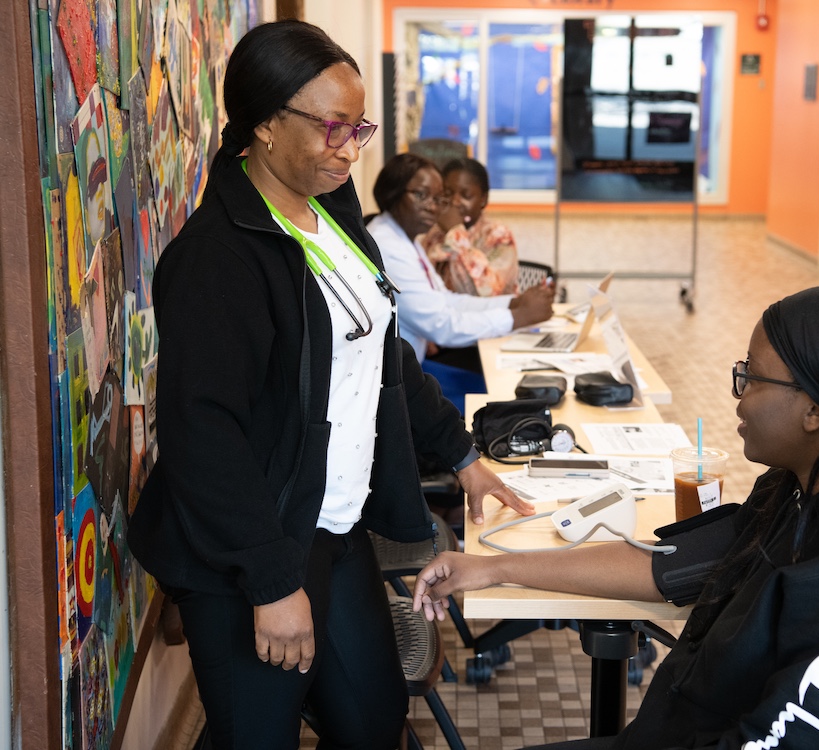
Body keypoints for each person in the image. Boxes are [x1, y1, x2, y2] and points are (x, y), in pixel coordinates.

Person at [126, 21, 533, 750]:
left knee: (373, 720)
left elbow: (381, 353)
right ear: (264, 124)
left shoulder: (331, 212)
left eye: (359, 128)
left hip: (333, 527)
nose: (350, 150)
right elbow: (203, 432)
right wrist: (271, 583)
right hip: (249, 550)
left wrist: (462, 455)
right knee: (258, 735)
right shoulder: (217, 259)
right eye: (332, 128)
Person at [414, 285, 819, 749]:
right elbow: (668, 565)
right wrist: (494, 568)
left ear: (817, 410)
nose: (737, 395)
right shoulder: (800, 490)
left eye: (751, 377)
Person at [366, 153, 554, 407]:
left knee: (512, 387)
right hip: (402, 378)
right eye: (422, 195)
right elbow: (441, 323)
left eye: (437, 198)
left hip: (424, 356)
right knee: (506, 397)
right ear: (393, 192)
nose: (434, 207)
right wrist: (516, 316)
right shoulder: (388, 245)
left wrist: (512, 304)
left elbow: (446, 300)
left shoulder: (406, 238)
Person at [421, 157, 519, 297]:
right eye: (447, 194)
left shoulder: (498, 235)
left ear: (483, 199)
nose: (455, 202)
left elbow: (490, 292)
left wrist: (456, 233)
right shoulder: (435, 234)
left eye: (466, 195)